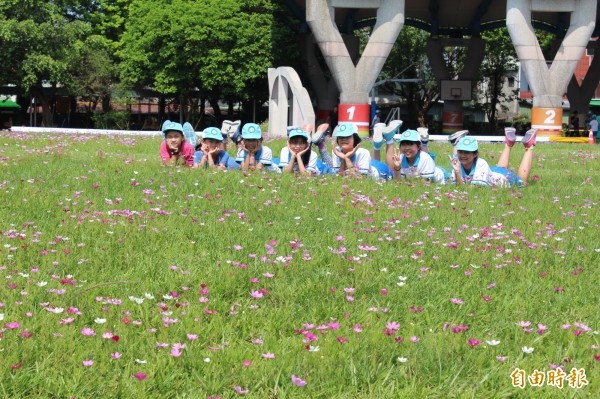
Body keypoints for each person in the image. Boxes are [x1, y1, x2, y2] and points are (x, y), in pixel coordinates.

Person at [450, 128, 537, 187]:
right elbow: (460, 188)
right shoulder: (457, 165)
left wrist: (458, 174)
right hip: (492, 171)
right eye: (460, 152)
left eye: (467, 152)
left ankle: (529, 146)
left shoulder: (481, 163)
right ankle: (508, 143)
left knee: (523, 182)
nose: (462, 155)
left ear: (475, 154)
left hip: (502, 177)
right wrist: (457, 171)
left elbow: (474, 189)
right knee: (501, 168)